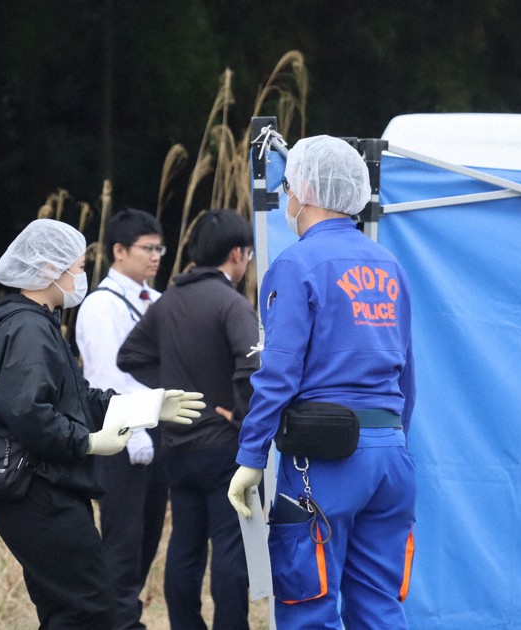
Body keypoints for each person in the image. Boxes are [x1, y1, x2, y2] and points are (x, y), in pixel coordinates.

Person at [0, 218, 205, 629]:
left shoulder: (39, 322)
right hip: (38, 489)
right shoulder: (27, 328)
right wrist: (87, 442)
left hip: (48, 486)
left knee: (69, 611)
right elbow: (27, 412)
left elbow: (82, 397)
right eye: (78, 268)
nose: (82, 278)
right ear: (49, 269)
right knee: (90, 608)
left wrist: (147, 407)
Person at [226, 136, 417, 629]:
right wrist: (394, 442)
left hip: (325, 460)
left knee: (307, 604)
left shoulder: (296, 264)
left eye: (289, 188)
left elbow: (278, 373)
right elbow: (407, 373)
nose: (287, 198)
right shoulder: (389, 265)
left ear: (305, 191)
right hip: (390, 457)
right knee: (380, 605)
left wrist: (251, 456)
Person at [117, 209, 259, 630]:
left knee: (185, 547)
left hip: (177, 446)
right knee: (229, 550)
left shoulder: (168, 301)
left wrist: (171, 391)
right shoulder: (231, 303)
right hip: (223, 447)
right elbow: (252, 368)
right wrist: (241, 417)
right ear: (237, 253)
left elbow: (129, 356)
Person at [74, 208, 167, 629]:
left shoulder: (158, 301)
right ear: (119, 251)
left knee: (148, 536)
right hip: (121, 436)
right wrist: (133, 431)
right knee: (123, 539)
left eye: (159, 248)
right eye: (147, 248)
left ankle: (124, 615)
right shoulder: (100, 305)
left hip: (160, 432)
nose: (156, 256)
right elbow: (105, 375)